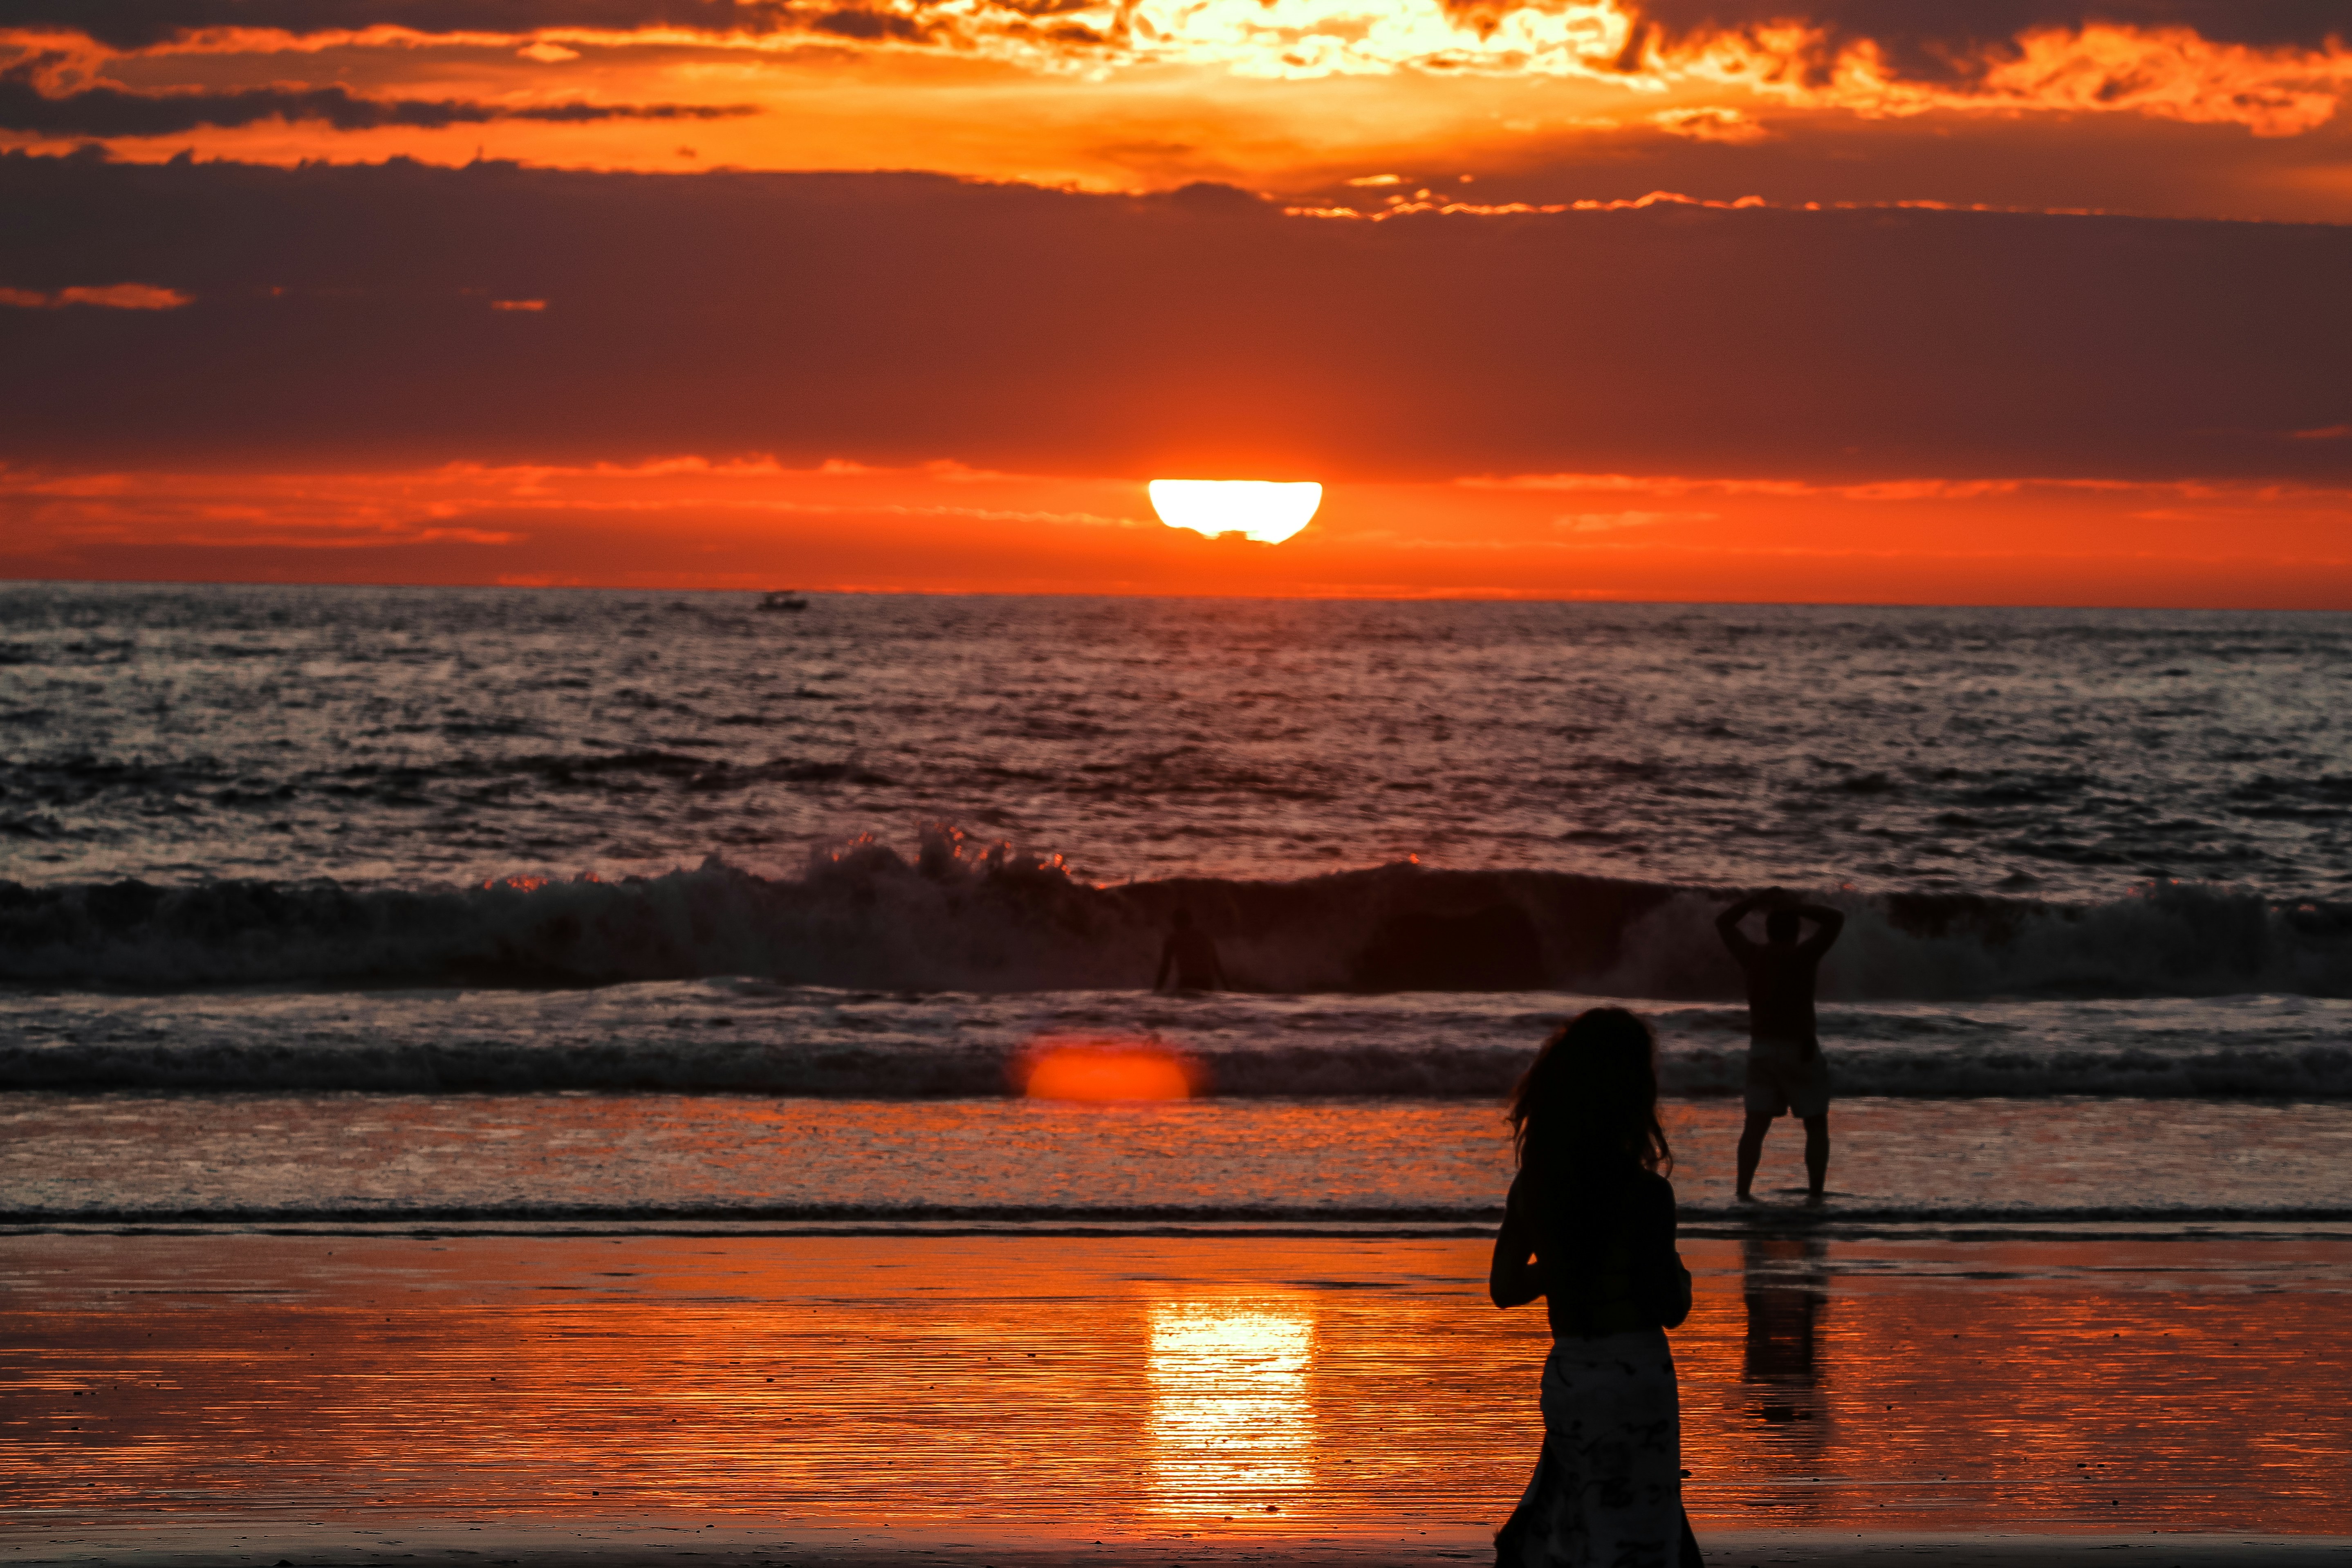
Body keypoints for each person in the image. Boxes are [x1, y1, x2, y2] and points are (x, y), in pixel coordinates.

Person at [1490, 1008, 1701, 1568]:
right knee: (1640, 1533)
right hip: (1636, 1376)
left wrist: (1561, 1265)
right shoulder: (1646, 1193)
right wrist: (1679, 1272)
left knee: (1573, 1518)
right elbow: (1669, 1306)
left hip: (1569, 1372)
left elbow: (1506, 1287)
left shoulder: (1533, 1185)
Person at [1713, 888, 1844, 1202]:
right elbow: (1835, 919)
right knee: (1815, 1126)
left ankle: (1742, 1193)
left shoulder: (1753, 956)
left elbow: (1723, 922)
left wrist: (1754, 900)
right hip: (1799, 1050)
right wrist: (1796, 905)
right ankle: (1815, 1194)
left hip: (1761, 1048)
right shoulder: (1804, 955)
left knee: (1754, 1127)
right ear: (1796, 931)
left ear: (1769, 930)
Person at [1152, 907, 1226, 991]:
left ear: (1175, 922)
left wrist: (1157, 991)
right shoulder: (1204, 937)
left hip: (1188, 981)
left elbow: (1165, 967)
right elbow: (1217, 966)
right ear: (1191, 921)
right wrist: (1229, 990)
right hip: (1207, 982)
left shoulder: (1173, 939)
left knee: (1183, 1003)